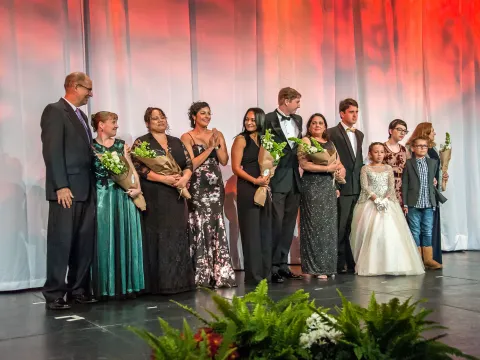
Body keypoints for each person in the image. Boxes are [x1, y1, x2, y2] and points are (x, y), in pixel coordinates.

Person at [40, 72, 97, 310]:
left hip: (86, 189)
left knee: (83, 244)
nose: (91, 94)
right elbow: (52, 152)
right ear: (74, 86)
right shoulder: (55, 111)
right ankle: (54, 293)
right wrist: (61, 185)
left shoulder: (82, 116)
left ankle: (78, 290)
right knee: (61, 242)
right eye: (88, 89)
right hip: (67, 190)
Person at [131, 107, 195, 294]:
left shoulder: (175, 142)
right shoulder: (142, 143)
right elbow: (137, 166)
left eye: (162, 117)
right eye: (155, 118)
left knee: (177, 234)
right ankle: (159, 284)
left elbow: (188, 163)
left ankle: (180, 282)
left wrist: (185, 178)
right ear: (147, 123)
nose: (160, 121)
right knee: (158, 236)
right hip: (155, 194)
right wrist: (163, 179)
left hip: (176, 193)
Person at [181, 102, 236, 288]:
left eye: (209, 113)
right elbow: (192, 164)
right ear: (194, 116)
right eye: (203, 113)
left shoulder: (217, 134)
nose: (207, 116)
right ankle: (201, 275)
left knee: (215, 223)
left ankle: (219, 274)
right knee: (199, 223)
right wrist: (209, 148)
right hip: (197, 185)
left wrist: (217, 143)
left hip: (215, 186)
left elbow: (224, 160)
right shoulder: (187, 137)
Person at [91, 111, 144, 299]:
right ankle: (105, 287)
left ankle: (126, 286)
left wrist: (137, 188)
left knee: (125, 237)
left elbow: (131, 170)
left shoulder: (121, 146)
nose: (116, 126)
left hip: (123, 196)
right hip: (102, 199)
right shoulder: (91, 147)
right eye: (113, 122)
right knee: (104, 240)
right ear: (101, 125)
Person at [350, 143, 424, 276]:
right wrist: (375, 199)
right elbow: (365, 187)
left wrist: (385, 199)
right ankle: (373, 265)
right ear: (370, 154)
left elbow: (391, 186)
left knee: (391, 232)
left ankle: (393, 264)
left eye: (381, 152)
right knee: (372, 233)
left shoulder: (388, 168)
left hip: (387, 202)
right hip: (371, 203)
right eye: (376, 152)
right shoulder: (365, 169)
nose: (379, 155)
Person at [263, 87, 304, 283]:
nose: (299, 105)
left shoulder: (298, 120)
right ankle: (271, 266)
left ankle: (282, 264)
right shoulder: (268, 119)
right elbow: (264, 148)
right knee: (276, 224)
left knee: (288, 225)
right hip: (277, 177)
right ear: (286, 101)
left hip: (295, 178)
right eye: (296, 101)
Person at [297, 114, 342, 279]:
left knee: (328, 226)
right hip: (312, 185)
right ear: (309, 126)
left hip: (328, 186)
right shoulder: (305, 141)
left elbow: (337, 163)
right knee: (313, 225)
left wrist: (337, 177)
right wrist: (326, 169)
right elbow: (304, 164)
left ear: (325, 126)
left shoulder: (331, 143)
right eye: (314, 123)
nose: (317, 125)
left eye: (320, 123)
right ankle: (312, 268)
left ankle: (327, 266)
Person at [231, 108, 272, 284]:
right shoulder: (241, 140)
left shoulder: (266, 140)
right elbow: (236, 168)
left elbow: (270, 162)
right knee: (251, 234)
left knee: (264, 232)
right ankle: (254, 277)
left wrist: (267, 177)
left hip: (263, 188)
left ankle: (265, 275)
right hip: (248, 188)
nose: (249, 122)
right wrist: (255, 181)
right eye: (247, 119)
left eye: (253, 120)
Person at [327, 98, 364, 274]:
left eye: (356, 111)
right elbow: (330, 159)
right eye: (351, 112)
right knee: (340, 226)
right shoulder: (332, 133)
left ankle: (351, 261)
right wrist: (335, 184)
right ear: (342, 113)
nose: (355, 115)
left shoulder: (359, 134)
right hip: (342, 186)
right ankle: (337, 262)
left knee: (353, 226)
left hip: (357, 187)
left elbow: (358, 162)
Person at [406, 122, 448, 265]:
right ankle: (417, 260)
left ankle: (428, 259)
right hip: (414, 201)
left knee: (427, 230)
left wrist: (439, 179)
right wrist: (405, 202)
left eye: (424, 146)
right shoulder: (410, 160)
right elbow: (406, 183)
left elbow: (434, 175)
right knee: (415, 230)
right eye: (432, 131)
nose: (434, 133)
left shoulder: (432, 156)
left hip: (429, 200)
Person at [383, 119, 410, 206]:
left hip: (401, 187)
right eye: (399, 130)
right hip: (385, 186)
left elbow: (410, 169)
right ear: (390, 131)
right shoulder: (381, 148)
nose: (402, 133)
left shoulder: (404, 149)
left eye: (404, 131)